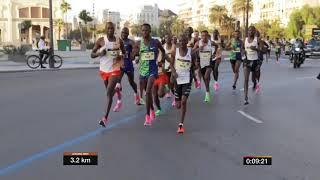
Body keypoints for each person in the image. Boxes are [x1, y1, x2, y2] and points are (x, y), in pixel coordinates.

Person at [91, 22, 125, 127]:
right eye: (108, 28)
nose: (110, 30)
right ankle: (118, 91)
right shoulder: (101, 40)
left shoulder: (119, 40)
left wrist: (121, 57)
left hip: (115, 69)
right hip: (104, 70)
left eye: (112, 28)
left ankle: (104, 118)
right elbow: (92, 54)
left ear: (114, 29)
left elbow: (124, 53)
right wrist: (99, 53)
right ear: (105, 29)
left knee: (109, 93)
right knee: (109, 92)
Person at [132, 23, 166, 126]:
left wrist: (161, 61)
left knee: (147, 92)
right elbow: (133, 55)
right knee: (149, 95)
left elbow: (163, 52)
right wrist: (135, 56)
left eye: (146, 30)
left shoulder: (155, 42)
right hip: (142, 72)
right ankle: (151, 109)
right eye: (143, 30)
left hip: (153, 71)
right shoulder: (138, 43)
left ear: (150, 31)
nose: (144, 32)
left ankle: (147, 117)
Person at [171, 34, 197, 134]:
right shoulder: (175, 51)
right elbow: (171, 64)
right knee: (178, 105)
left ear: (187, 42)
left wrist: (194, 69)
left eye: (183, 41)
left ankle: (181, 124)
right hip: (177, 79)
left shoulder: (191, 52)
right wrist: (173, 72)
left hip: (187, 79)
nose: (181, 43)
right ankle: (176, 98)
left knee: (183, 101)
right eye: (180, 41)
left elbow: (194, 65)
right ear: (178, 42)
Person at [118, 27, 141, 106]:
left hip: (129, 65)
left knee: (131, 82)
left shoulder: (130, 42)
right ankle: (119, 101)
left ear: (128, 34)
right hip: (120, 65)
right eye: (122, 32)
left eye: (125, 33)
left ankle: (136, 94)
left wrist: (134, 54)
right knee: (117, 81)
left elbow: (137, 49)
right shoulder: (118, 42)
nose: (123, 34)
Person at [193, 30, 218, 103]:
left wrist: (214, 53)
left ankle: (207, 93)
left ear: (207, 36)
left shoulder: (211, 42)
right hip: (201, 62)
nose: (204, 37)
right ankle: (207, 92)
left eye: (205, 36)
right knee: (205, 79)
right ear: (201, 36)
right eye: (202, 36)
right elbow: (192, 51)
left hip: (209, 62)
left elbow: (216, 46)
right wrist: (198, 49)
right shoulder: (198, 43)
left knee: (206, 77)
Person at [243, 26, 259, 105]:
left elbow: (263, 50)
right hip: (247, 61)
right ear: (248, 31)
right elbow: (243, 48)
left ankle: (255, 83)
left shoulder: (257, 40)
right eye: (249, 30)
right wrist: (243, 53)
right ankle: (246, 98)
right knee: (246, 79)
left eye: (252, 31)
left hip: (254, 60)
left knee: (253, 78)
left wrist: (255, 49)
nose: (251, 32)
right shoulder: (245, 39)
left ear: (254, 32)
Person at [153, 49, 170, 117]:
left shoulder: (163, 54)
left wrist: (167, 67)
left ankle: (166, 88)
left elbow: (171, 61)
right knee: (155, 96)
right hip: (153, 76)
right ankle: (159, 109)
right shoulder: (149, 54)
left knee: (160, 94)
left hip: (162, 75)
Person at [163, 34, 176, 102]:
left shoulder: (174, 46)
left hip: (173, 67)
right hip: (165, 68)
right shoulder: (163, 47)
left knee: (172, 83)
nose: (167, 39)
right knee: (167, 82)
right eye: (165, 38)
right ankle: (168, 92)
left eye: (168, 37)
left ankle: (175, 98)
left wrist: (169, 66)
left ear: (171, 38)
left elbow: (174, 57)